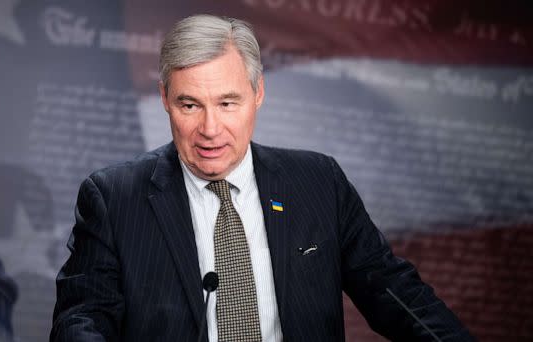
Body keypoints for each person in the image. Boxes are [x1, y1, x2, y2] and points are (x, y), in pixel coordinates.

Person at [50, 14, 474, 342]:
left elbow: (396, 295)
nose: (211, 128)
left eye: (228, 102)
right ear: (164, 99)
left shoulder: (318, 182)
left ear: (258, 94)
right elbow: (82, 319)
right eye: (190, 105)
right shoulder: (114, 197)